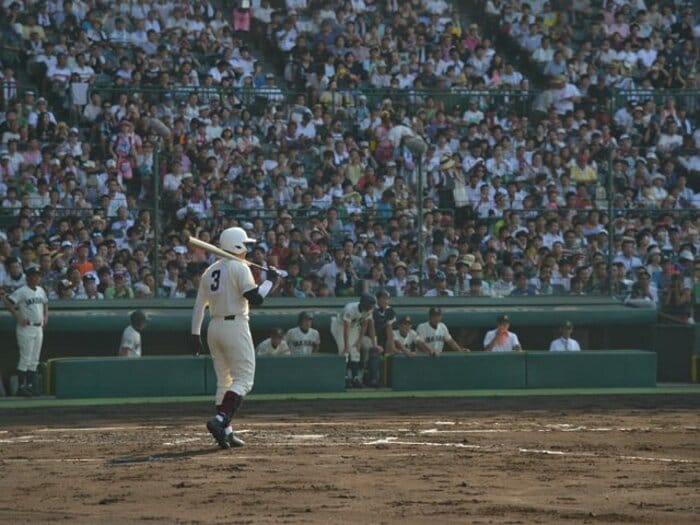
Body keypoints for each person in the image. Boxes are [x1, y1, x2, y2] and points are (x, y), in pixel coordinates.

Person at [190, 227, 280, 449]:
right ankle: (221, 421)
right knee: (244, 380)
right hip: (235, 325)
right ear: (237, 245)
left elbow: (199, 306)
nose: (247, 249)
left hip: (213, 327)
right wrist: (270, 281)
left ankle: (227, 432)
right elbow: (256, 298)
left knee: (225, 381)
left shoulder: (210, 271)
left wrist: (194, 333)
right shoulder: (239, 267)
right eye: (245, 245)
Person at [0, 267, 48, 396]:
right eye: (34, 275)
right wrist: (18, 316)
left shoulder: (41, 290)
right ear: (28, 277)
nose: (37, 277)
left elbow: (45, 303)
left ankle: (30, 386)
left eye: (38, 275)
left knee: (35, 359)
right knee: (25, 357)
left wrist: (45, 316)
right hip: (26, 328)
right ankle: (21, 387)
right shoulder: (22, 291)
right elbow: (8, 303)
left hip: (38, 327)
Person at [331, 293, 382, 388]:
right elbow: (346, 329)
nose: (372, 307)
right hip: (340, 325)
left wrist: (359, 341)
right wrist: (346, 346)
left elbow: (365, 326)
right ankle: (345, 378)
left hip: (354, 326)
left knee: (355, 351)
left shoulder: (368, 310)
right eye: (370, 305)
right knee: (344, 351)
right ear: (364, 304)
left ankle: (355, 378)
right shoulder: (350, 309)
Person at [366, 289, 396, 387]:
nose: (386, 301)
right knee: (375, 350)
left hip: (383, 338)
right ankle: (374, 380)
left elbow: (389, 329)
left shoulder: (390, 310)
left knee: (390, 349)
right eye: (383, 298)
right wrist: (376, 345)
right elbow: (371, 328)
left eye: (387, 299)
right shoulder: (372, 310)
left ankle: (388, 381)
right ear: (377, 300)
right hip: (369, 337)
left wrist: (391, 346)